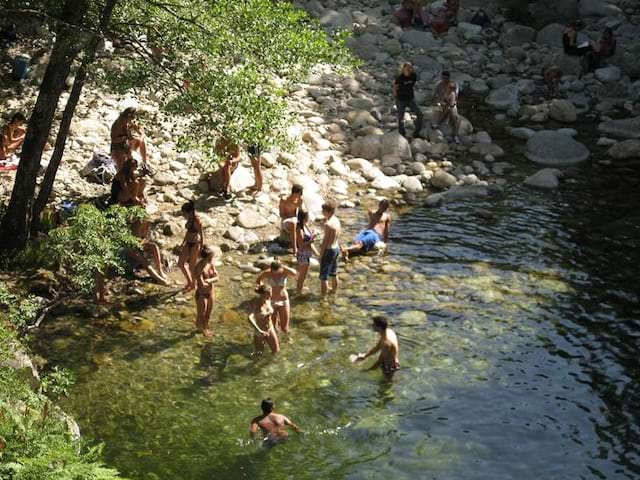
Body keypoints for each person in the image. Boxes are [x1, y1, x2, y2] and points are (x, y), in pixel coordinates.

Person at [125, 221, 171, 286]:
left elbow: (144, 238)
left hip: (138, 245)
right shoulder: (134, 223)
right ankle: (160, 280)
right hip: (129, 247)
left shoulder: (146, 223)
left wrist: (142, 244)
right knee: (145, 261)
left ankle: (160, 271)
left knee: (154, 247)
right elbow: (130, 241)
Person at [256, 261, 297, 334]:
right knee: (274, 327)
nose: (276, 273)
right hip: (271, 301)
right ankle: (277, 341)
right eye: (274, 272)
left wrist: (284, 267)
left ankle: (287, 340)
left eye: (277, 271)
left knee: (285, 328)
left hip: (283, 300)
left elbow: (294, 273)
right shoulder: (267, 273)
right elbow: (258, 280)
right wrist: (264, 289)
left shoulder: (285, 271)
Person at [193, 246, 219, 337]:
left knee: (208, 313)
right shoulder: (198, 267)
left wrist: (209, 280)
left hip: (211, 292)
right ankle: (203, 330)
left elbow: (217, 278)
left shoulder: (210, 264)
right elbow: (202, 284)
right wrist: (211, 280)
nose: (212, 259)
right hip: (202, 294)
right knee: (201, 315)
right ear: (205, 257)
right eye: (210, 257)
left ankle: (204, 326)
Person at [178, 201, 204, 290]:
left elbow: (202, 234)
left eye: (184, 213)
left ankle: (193, 284)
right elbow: (188, 232)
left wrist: (201, 248)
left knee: (191, 267)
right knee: (180, 263)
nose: (183, 215)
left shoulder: (197, 220)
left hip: (195, 244)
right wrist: (183, 243)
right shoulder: (189, 218)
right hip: (188, 242)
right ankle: (190, 282)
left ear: (189, 212)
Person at [393, 62, 423, 139]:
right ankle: (402, 134)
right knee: (401, 118)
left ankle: (416, 133)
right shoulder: (400, 77)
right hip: (401, 100)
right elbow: (395, 88)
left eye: (410, 68)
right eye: (407, 69)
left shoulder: (413, 76)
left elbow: (412, 85)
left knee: (420, 114)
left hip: (410, 99)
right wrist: (396, 98)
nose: (409, 70)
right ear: (403, 69)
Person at [248, 285, 279, 355]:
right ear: (262, 294)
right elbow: (249, 318)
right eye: (268, 294)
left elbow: (273, 313)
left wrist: (276, 325)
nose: (270, 295)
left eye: (271, 293)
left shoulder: (268, 300)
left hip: (270, 329)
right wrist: (259, 330)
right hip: (260, 331)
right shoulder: (255, 304)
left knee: (276, 351)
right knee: (259, 354)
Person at [319, 201, 341, 296]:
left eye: (323, 210)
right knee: (334, 273)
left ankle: (323, 297)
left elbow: (325, 242)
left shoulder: (329, 224)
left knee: (324, 277)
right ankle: (334, 292)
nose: (322, 212)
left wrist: (321, 255)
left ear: (327, 211)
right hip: (336, 248)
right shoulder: (336, 220)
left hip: (329, 250)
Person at [295, 210, 319, 295]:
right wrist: (312, 240)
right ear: (304, 218)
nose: (308, 218)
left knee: (303, 273)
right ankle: (298, 292)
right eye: (307, 217)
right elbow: (301, 245)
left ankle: (300, 287)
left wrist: (313, 234)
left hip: (306, 254)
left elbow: (308, 237)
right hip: (303, 255)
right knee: (302, 275)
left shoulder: (304, 225)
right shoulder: (299, 229)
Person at [279, 184, 304, 254]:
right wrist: (291, 218)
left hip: (295, 219)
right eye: (299, 194)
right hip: (286, 220)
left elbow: (301, 212)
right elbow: (281, 214)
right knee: (293, 223)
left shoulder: (299, 200)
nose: (299, 196)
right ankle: (294, 249)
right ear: (295, 193)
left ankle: (306, 251)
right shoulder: (284, 200)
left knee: (301, 231)